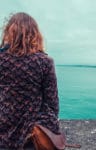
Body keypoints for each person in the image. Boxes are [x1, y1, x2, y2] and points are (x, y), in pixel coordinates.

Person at [0, 12, 60, 149]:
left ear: (9, 32)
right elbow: (52, 106)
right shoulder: (45, 62)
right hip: (31, 136)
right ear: (35, 34)